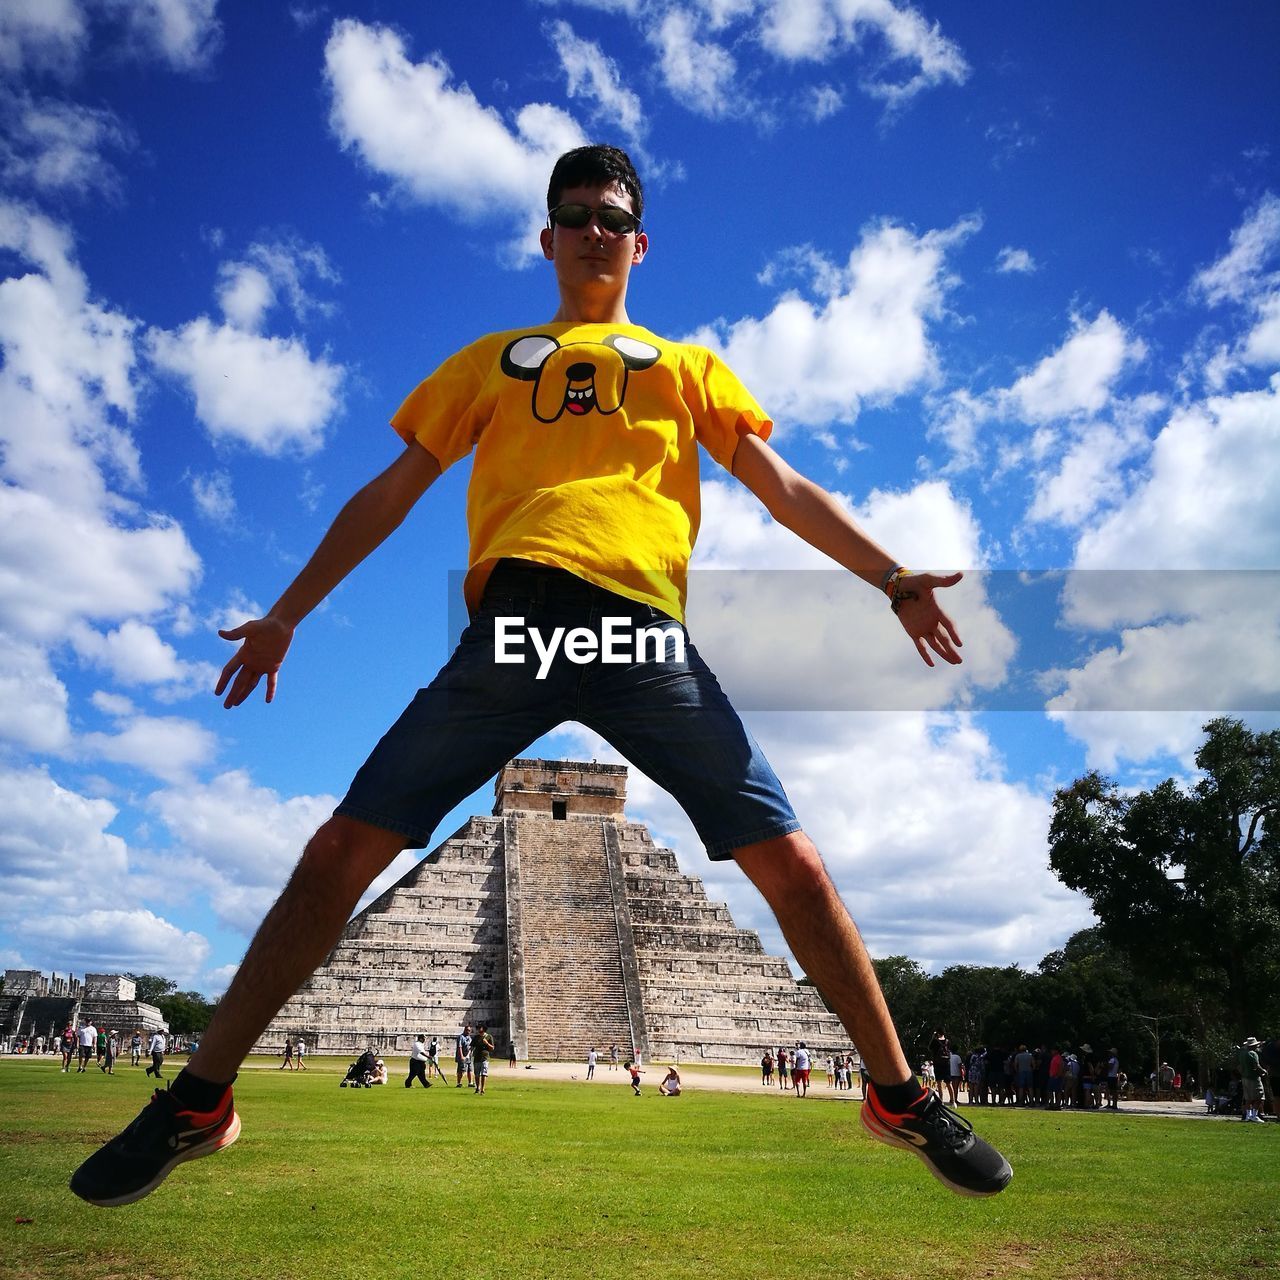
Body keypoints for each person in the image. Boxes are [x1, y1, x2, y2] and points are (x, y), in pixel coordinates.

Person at [70, 143, 1011, 1209]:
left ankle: (895, 1092)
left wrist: (889, 576)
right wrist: (290, 611)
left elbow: (780, 485)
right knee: (339, 848)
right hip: (515, 627)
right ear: (547, 237)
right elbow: (390, 490)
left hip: (641, 637)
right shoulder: (490, 359)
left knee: (791, 863)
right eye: (575, 214)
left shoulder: (685, 366)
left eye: (612, 216)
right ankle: (197, 1099)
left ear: (639, 241)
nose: (594, 230)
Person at [1237, 1037, 1267, 1123]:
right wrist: (1263, 1071)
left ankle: (1248, 1116)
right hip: (1253, 1078)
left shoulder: (1242, 1054)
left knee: (1248, 1098)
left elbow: (1239, 1066)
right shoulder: (1253, 1054)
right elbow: (1256, 1066)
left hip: (1244, 1077)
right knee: (1259, 1097)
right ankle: (1254, 1115)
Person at [472, 1025, 495, 1095]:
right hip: (477, 1057)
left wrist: (487, 1043)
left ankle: (482, 1089)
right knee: (476, 1074)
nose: (478, 1030)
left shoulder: (489, 1037)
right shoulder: (476, 1037)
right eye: (478, 1028)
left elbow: (492, 1048)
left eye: (480, 1028)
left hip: (485, 1057)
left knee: (483, 1074)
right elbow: (472, 1047)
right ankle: (477, 1088)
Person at [455, 1025, 472, 1089]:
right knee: (461, 1070)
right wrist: (462, 1056)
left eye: (469, 1030)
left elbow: (471, 1047)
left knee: (470, 1069)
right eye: (467, 1030)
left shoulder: (469, 1038)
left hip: (469, 1056)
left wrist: (469, 1054)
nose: (468, 1032)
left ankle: (470, 1083)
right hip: (462, 1056)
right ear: (464, 1030)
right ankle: (459, 1083)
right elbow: (460, 1047)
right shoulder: (461, 1037)